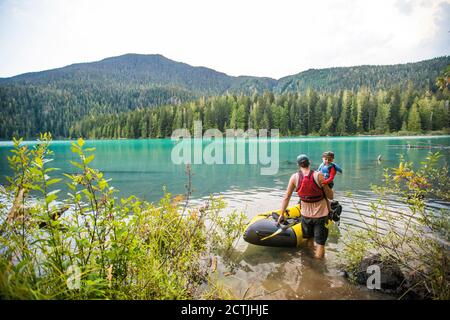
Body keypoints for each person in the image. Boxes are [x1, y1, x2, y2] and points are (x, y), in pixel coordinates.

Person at [277, 154, 333, 258]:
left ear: (298, 165)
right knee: (320, 244)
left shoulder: (294, 177)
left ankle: (309, 263)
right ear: (309, 163)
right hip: (320, 215)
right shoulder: (319, 175)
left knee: (309, 239)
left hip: (305, 215)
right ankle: (319, 267)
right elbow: (330, 196)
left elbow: (286, 197)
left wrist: (281, 214)